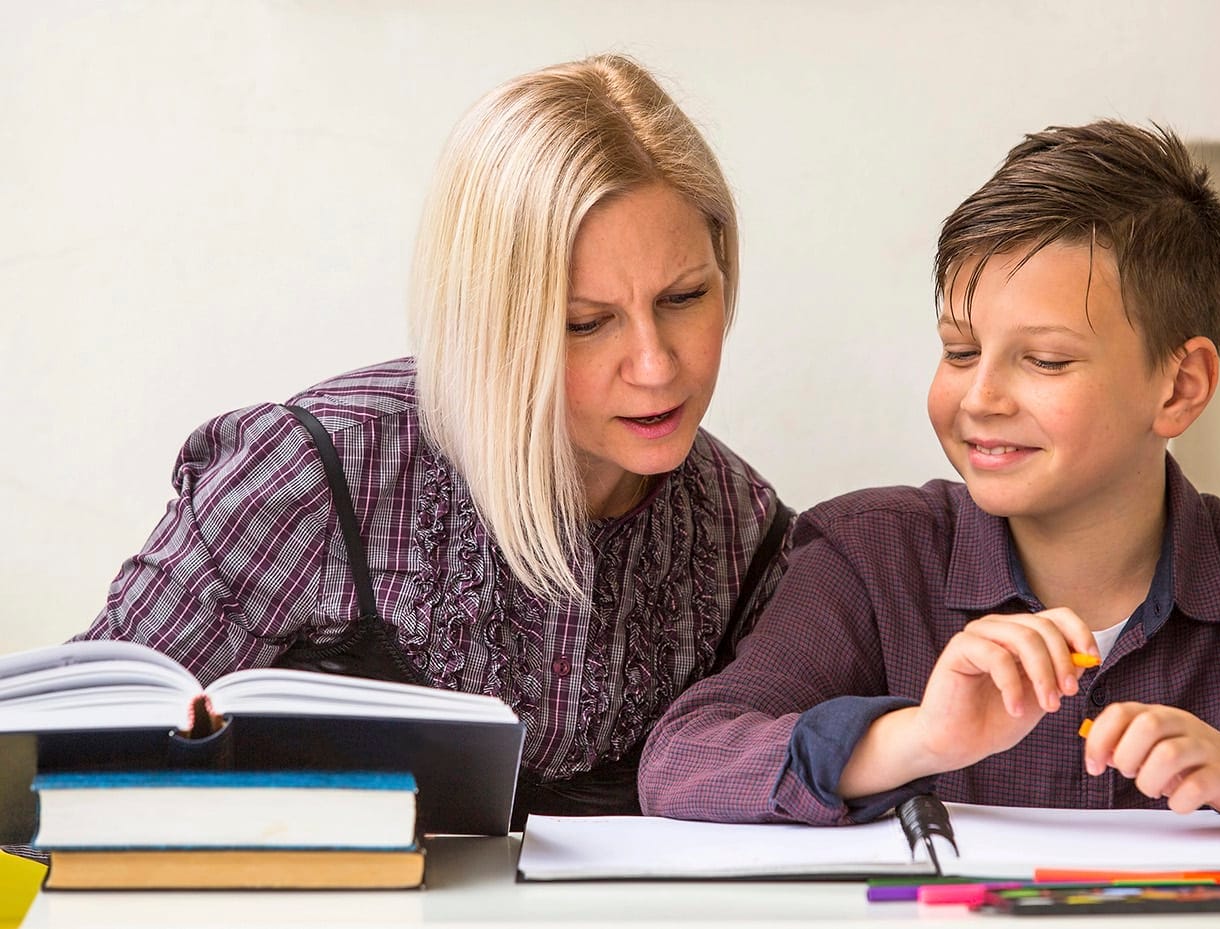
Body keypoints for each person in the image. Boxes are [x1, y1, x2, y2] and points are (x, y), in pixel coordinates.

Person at [637, 120, 1220, 839]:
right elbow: (682, 762)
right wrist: (918, 737)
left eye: (1045, 360)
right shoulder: (870, 555)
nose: (981, 398)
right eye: (961, 351)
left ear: (1179, 387)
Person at [78, 54, 791, 826]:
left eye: (684, 297)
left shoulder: (747, 536)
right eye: (585, 322)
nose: (656, 367)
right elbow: (56, 770)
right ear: (489, 323)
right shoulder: (310, 478)